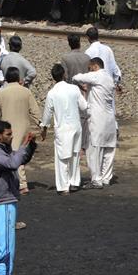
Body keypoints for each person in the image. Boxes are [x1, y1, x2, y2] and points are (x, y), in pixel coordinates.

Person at [0, 121, 36, 275]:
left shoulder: (2, 148)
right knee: (5, 246)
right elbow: (13, 163)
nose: (11, 136)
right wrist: (23, 145)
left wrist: (30, 145)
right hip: (4, 202)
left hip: (7, 200)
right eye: (8, 134)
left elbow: (20, 158)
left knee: (8, 245)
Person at [40, 64, 88, 194]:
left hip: (62, 129)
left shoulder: (52, 93)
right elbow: (84, 106)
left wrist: (44, 128)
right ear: (64, 75)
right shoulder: (74, 89)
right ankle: (74, 182)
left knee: (62, 158)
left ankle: (63, 187)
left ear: (53, 77)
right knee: (75, 155)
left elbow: (47, 114)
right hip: (76, 126)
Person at [73, 58, 118, 189]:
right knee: (109, 149)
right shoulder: (109, 78)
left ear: (95, 66)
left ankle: (96, 179)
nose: (89, 70)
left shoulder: (97, 75)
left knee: (94, 149)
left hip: (97, 118)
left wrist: (81, 86)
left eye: (90, 68)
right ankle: (106, 177)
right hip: (110, 118)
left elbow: (76, 77)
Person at [0, 67, 41, 195]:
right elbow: (35, 111)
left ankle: (20, 184)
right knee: (21, 153)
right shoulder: (26, 91)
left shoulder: (2, 93)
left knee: (12, 154)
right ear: (18, 78)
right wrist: (41, 125)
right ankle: (20, 183)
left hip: (7, 128)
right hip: (24, 127)